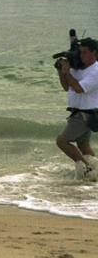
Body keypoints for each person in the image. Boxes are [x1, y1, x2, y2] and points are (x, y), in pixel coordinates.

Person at [54, 37, 98, 180]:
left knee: (62, 141)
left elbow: (79, 88)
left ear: (95, 53)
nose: (81, 56)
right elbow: (67, 86)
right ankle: (95, 172)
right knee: (83, 145)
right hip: (79, 113)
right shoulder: (79, 69)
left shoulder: (95, 70)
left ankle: (88, 169)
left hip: (86, 114)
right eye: (80, 52)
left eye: (85, 52)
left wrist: (68, 73)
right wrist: (61, 71)